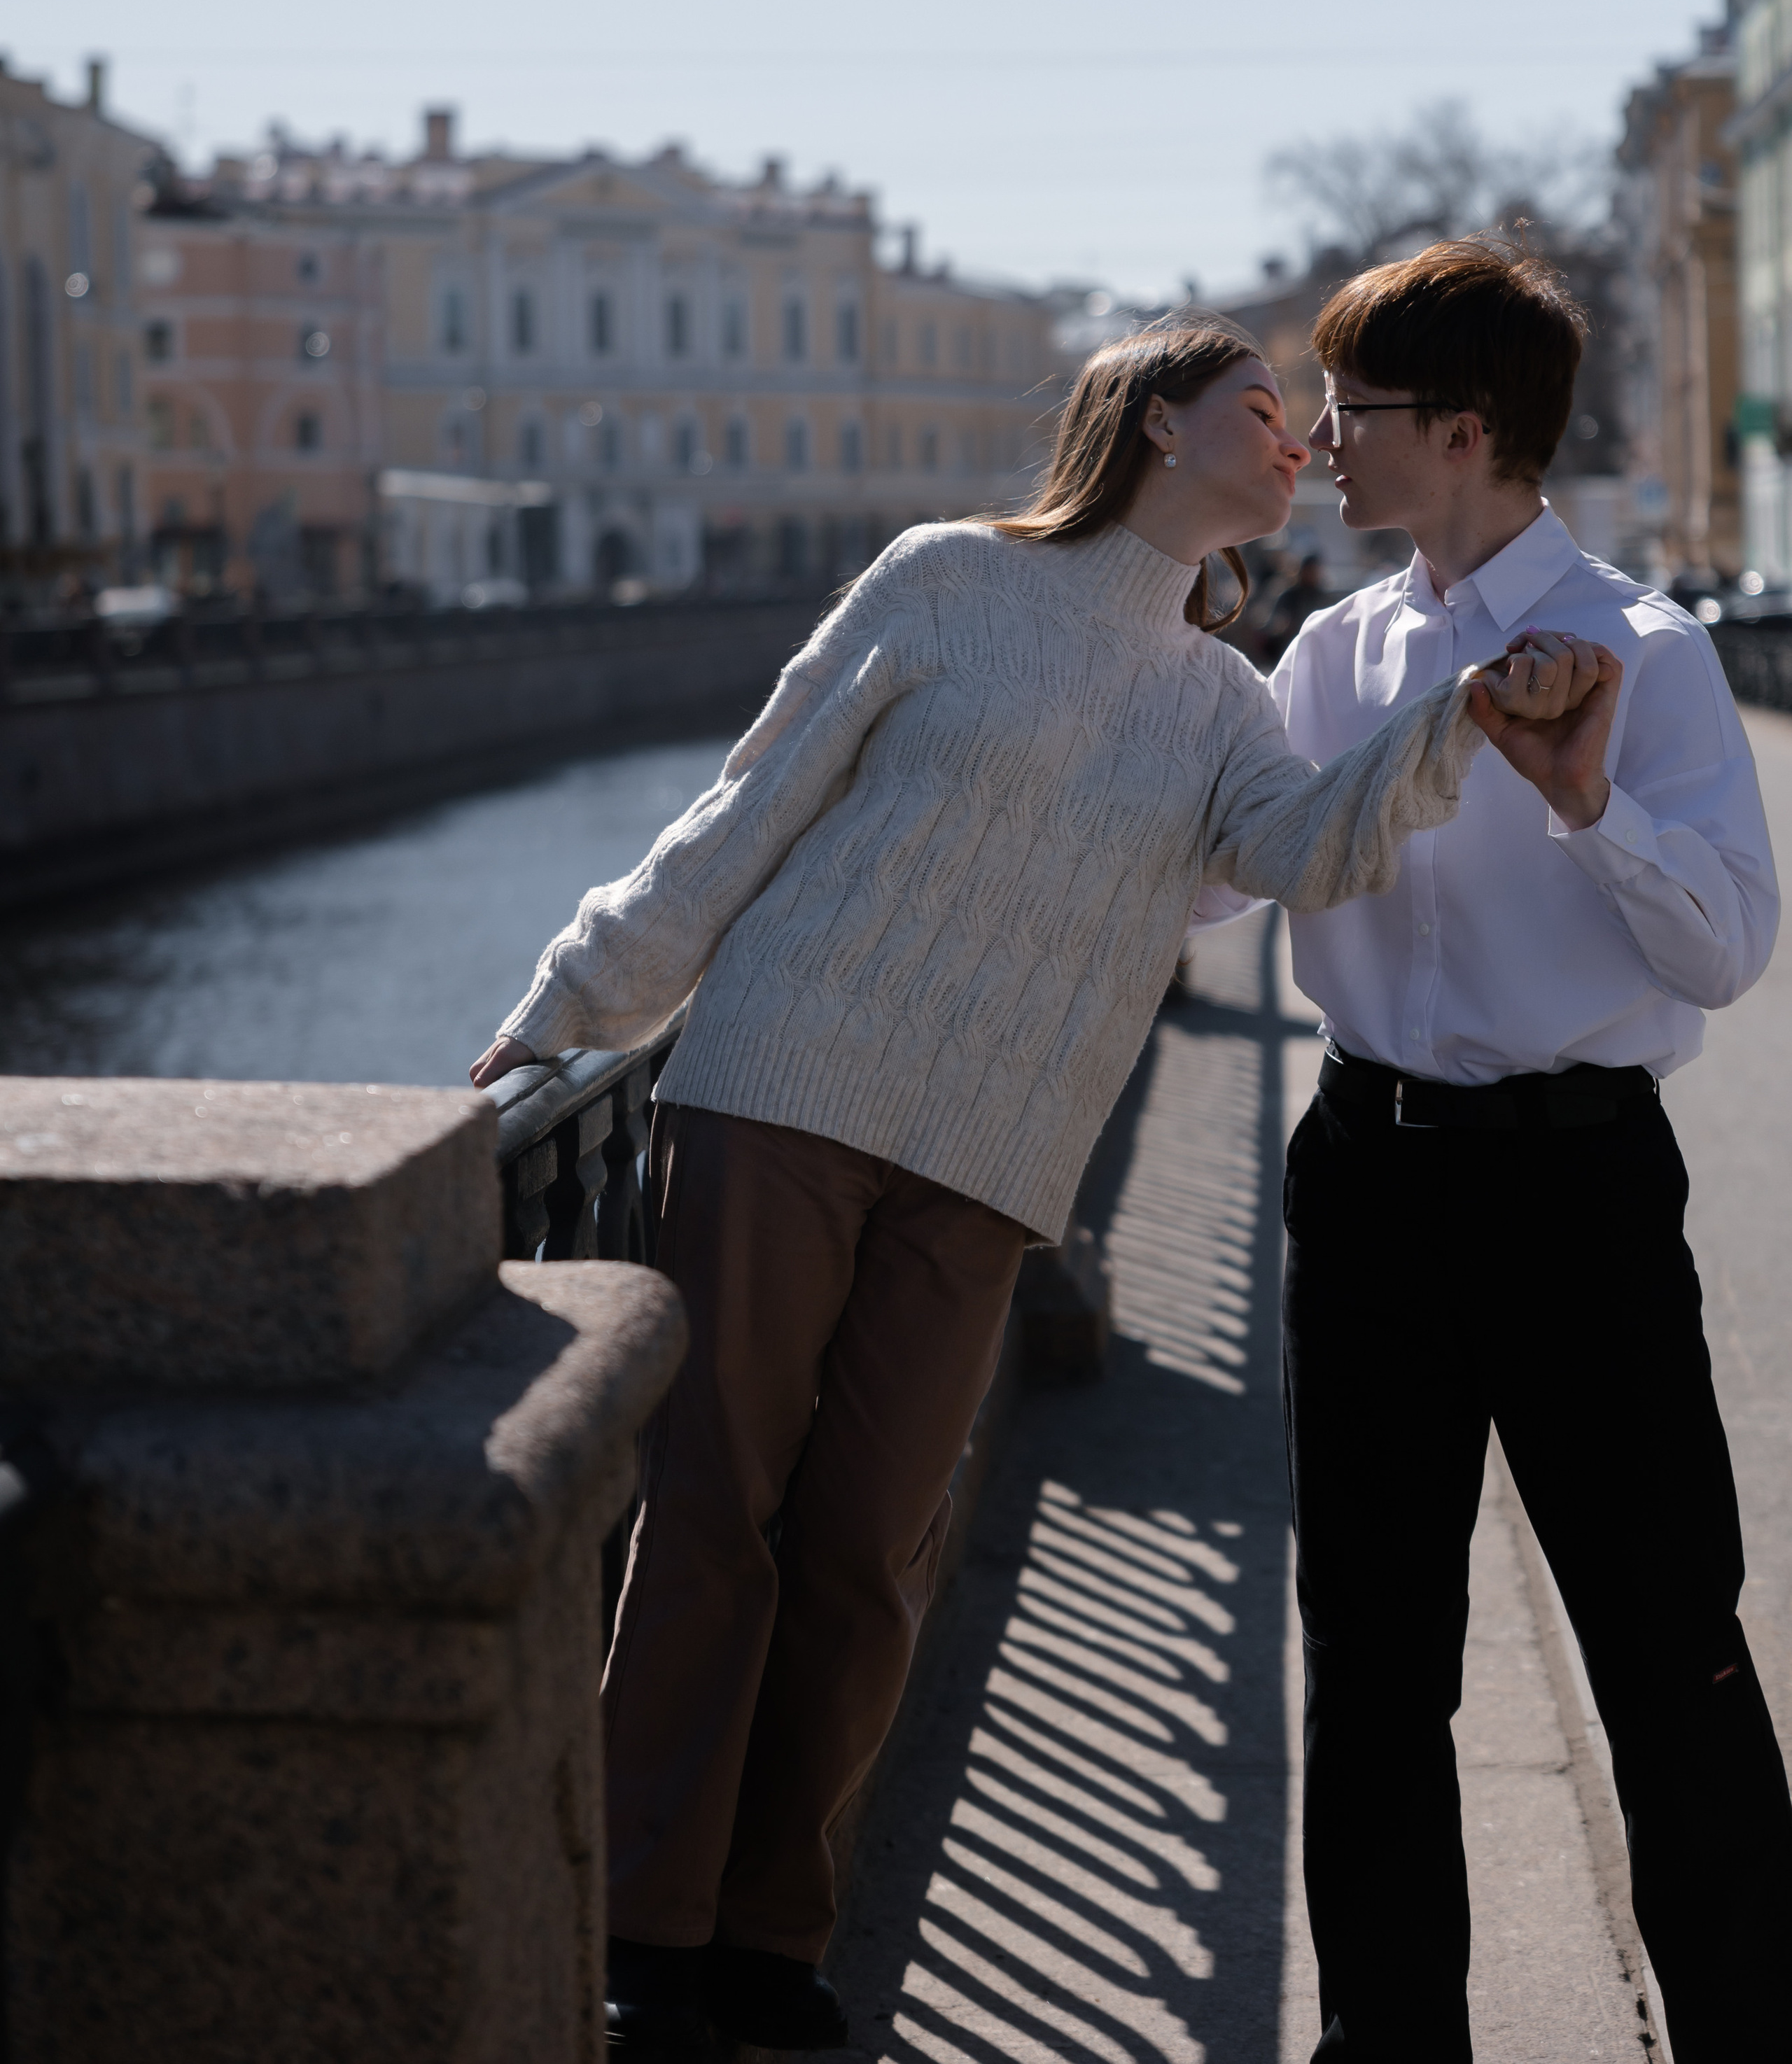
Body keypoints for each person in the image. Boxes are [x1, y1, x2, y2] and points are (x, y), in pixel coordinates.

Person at [468, 316, 1597, 2058]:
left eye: (1306, 419)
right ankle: (642, 1919)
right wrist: (577, 996)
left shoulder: (1222, 692)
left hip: (993, 1150)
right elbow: (748, 805)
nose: (1295, 436)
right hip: (782, 1081)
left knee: (863, 1550)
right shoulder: (939, 580)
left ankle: (773, 1925)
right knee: (709, 1514)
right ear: (1153, 417)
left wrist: (1452, 717)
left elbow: (1301, 853)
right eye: (1257, 408)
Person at [1194, 235, 1791, 2062]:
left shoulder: (1649, 650)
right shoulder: (1331, 653)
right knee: (1369, 1666)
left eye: (1350, 414)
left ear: (1463, 433)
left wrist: (1590, 805)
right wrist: (1152, 686)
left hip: (1579, 1192)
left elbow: (1728, 955)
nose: (1320, 447)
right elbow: (1221, 893)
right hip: (1366, 1184)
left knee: (1667, 1645)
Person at [1255, 548, 1332, 666]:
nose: (1313, 574)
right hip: (1290, 649)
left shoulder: (1323, 596)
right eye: (1310, 570)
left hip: (1315, 649)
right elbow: (1274, 623)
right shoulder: (1289, 596)